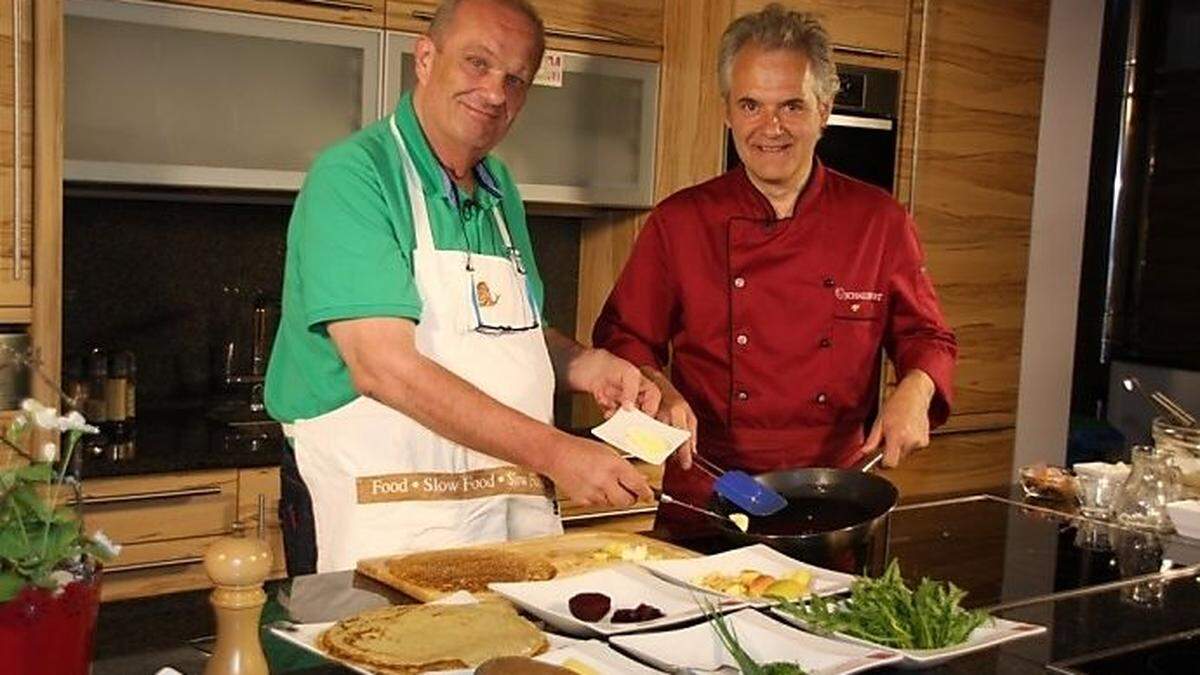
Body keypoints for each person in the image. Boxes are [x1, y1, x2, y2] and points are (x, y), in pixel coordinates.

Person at [265, 0, 657, 574]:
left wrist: (588, 366)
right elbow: (383, 366)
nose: (495, 93)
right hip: (379, 513)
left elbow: (504, 331)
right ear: (425, 58)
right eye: (477, 63)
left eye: (515, 79)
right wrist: (557, 452)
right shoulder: (353, 178)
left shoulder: (499, 189)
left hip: (500, 507)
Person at [592, 4, 957, 526]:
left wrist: (915, 391)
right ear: (727, 112)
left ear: (825, 108)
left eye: (791, 106)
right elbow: (623, 337)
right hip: (710, 489)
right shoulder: (681, 221)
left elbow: (929, 337)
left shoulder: (879, 221)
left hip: (833, 496)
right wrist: (661, 388)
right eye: (751, 106)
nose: (770, 128)